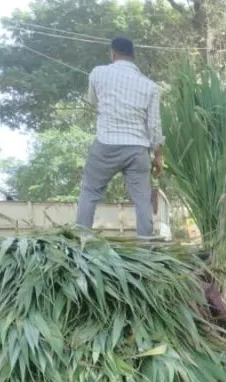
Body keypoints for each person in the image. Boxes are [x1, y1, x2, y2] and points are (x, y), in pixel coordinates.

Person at [77, 37, 163, 239]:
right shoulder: (150, 86)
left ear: (113, 53)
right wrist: (158, 156)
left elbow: (93, 102)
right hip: (137, 149)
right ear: (134, 55)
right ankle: (145, 247)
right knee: (142, 199)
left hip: (106, 144)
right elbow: (154, 125)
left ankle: (81, 242)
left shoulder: (98, 73)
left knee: (90, 192)